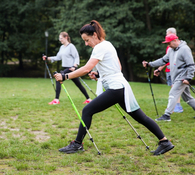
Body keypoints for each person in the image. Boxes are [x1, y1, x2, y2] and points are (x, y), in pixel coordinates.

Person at [54, 20, 174, 155]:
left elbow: (86, 69)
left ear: (94, 35)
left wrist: (65, 77)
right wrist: (99, 74)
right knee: (140, 117)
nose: (86, 44)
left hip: (116, 88)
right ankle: (164, 141)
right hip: (121, 86)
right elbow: (118, 67)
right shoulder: (108, 44)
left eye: (87, 40)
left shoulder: (99, 47)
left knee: (87, 110)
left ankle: (77, 144)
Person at [142, 34, 195, 121]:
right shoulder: (171, 50)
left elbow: (191, 65)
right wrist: (150, 64)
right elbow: (163, 60)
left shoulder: (185, 49)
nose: (168, 45)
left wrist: (188, 78)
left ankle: (167, 115)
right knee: (187, 97)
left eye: (169, 43)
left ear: (175, 40)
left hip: (182, 77)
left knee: (173, 94)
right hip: (176, 77)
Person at [42, 32, 92, 105]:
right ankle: (88, 99)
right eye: (59, 39)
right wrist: (47, 58)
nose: (60, 40)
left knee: (58, 78)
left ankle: (56, 100)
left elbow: (76, 57)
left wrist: (74, 66)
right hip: (66, 68)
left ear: (66, 38)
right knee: (78, 84)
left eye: (61, 38)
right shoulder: (62, 47)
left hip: (71, 68)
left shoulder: (71, 46)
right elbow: (58, 57)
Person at [156, 28, 183, 113]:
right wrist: (160, 68)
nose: (166, 36)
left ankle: (177, 106)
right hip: (169, 69)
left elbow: (170, 59)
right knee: (176, 88)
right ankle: (177, 106)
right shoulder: (170, 46)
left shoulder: (175, 46)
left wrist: (160, 68)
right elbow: (166, 59)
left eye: (167, 34)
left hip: (173, 70)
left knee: (174, 88)